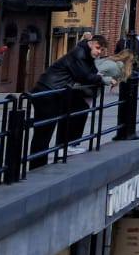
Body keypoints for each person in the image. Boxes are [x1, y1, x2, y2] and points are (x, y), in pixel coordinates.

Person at [28, 35, 109, 168]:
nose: (99, 52)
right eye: (97, 48)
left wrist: (97, 76)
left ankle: (47, 158)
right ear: (91, 43)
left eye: (101, 50)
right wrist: (100, 79)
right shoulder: (79, 54)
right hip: (47, 92)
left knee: (46, 130)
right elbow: (83, 76)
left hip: (52, 92)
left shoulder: (85, 54)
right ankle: (36, 166)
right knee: (43, 132)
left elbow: (91, 72)